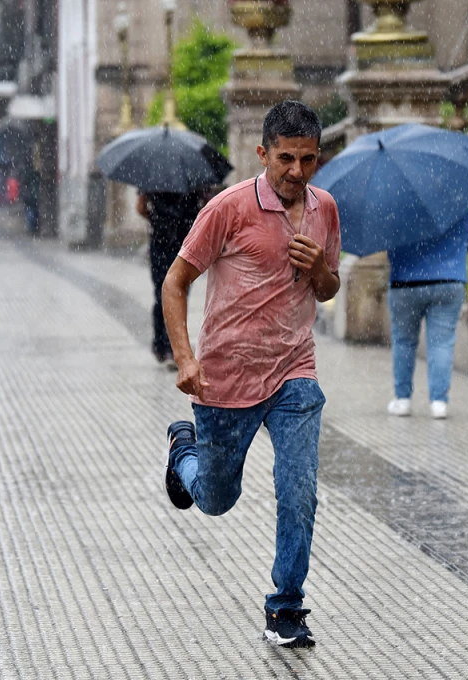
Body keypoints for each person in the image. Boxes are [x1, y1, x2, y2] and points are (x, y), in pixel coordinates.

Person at [160, 100, 340, 649]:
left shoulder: (324, 207)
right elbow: (175, 282)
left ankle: (285, 608)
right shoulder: (229, 208)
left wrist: (318, 269)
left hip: (294, 370)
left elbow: (329, 288)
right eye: (285, 158)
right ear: (262, 153)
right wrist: (187, 359)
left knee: (299, 491)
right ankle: (183, 451)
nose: (296, 172)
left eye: (307, 160)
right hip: (226, 378)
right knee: (215, 498)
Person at [385, 215, 468, 420]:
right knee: (441, 343)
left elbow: (386, 241)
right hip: (449, 279)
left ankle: (403, 399)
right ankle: (439, 402)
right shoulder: (458, 199)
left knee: (404, 341)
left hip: (405, 281)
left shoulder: (396, 203)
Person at [136, 189, 203, 368]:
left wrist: (156, 218)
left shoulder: (152, 178)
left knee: (161, 292)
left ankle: (161, 344)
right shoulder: (194, 176)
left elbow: (140, 207)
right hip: (186, 240)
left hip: (160, 239)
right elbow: (204, 206)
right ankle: (172, 347)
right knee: (181, 292)